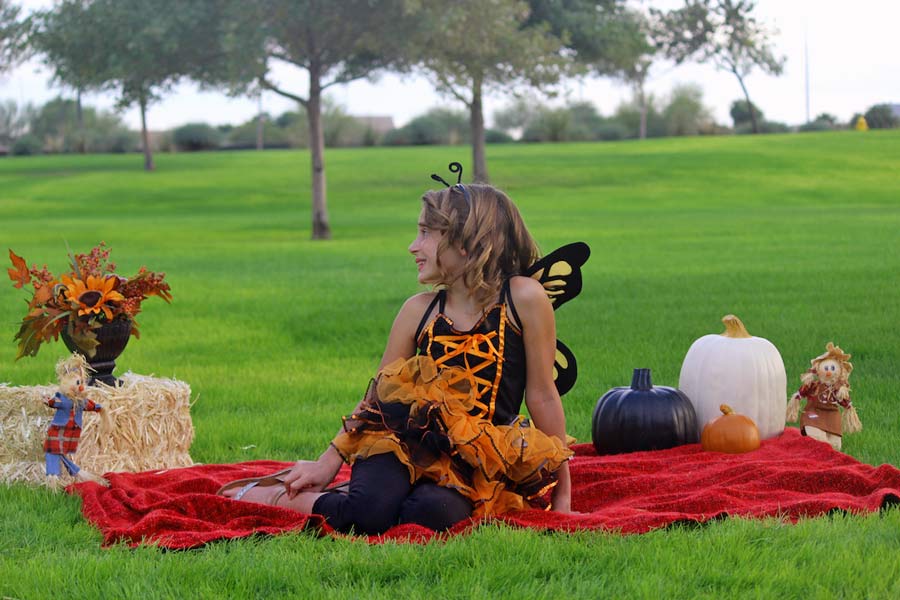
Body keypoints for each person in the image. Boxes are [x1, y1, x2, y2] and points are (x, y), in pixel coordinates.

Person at [219, 171, 575, 534]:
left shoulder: (524, 299)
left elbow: (543, 395)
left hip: (473, 460)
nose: (412, 246)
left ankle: (386, 495)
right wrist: (326, 464)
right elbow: (377, 399)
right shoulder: (418, 311)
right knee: (368, 512)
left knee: (433, 514)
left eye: (425, 234)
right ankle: (272, 496)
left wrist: (563, 498)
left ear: (464, 242)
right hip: (399, 443)